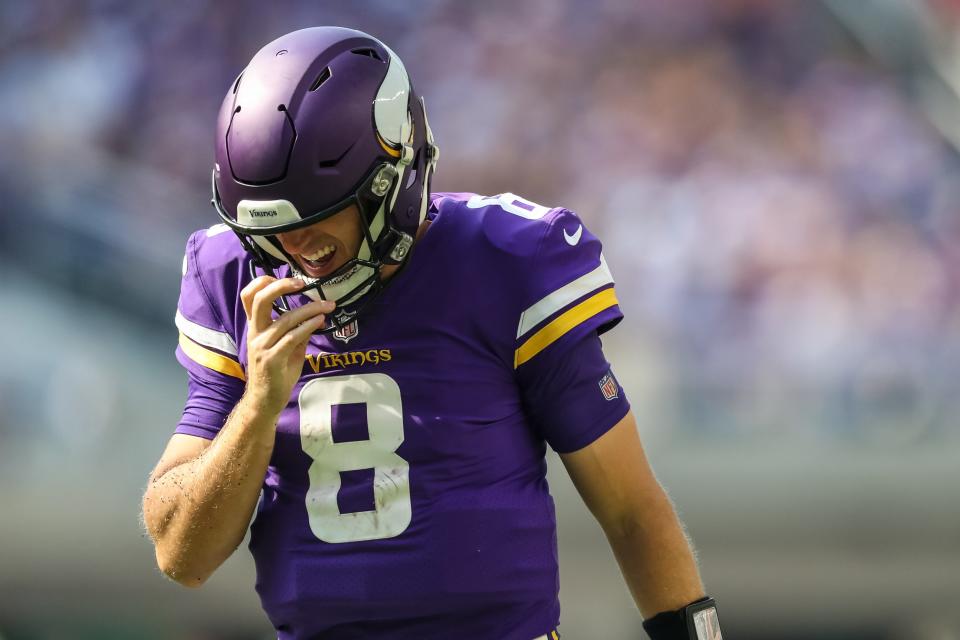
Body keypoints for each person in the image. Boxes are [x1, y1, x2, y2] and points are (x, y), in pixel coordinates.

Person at [141, 26, 723, 640]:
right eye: (273, 230)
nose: (296, 252)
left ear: (393, 177)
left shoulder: (505, 261)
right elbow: (181, 556)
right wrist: (259, 406)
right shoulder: (234, 276)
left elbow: (632, 510)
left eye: (315, 219)